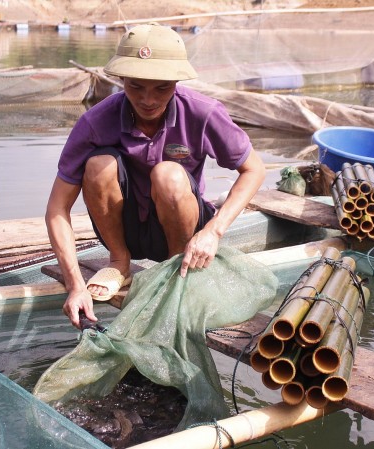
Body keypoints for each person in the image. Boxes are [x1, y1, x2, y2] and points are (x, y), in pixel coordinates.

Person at [45, 24, 265, 328]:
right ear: (121, 80)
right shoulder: (95, 122)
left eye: (161, 88)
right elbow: (57, 209)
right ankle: (119, 263)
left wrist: (213, 232)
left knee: (168, 175)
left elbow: (254, 169)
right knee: (98, 166)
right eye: (136, 87)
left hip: (182, 230)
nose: (148, 100)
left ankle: (177, 270)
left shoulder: (203, 113)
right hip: (128, 231)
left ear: (176, 82)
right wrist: (75, 286)